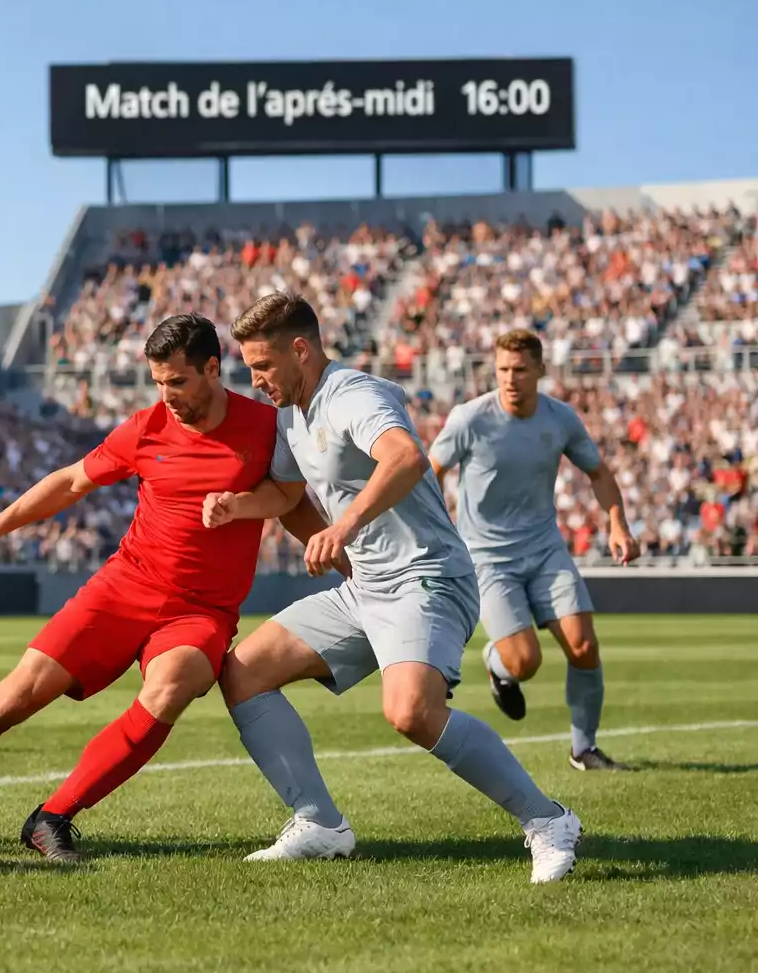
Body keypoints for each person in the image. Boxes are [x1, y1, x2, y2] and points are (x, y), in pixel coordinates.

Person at [0, 313, 338, 863]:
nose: (166, 395)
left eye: (177, 381)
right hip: (125, 586)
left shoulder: (266, 427)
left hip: (201, 610)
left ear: (213, 369)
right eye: (157, 382)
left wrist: (347, 558)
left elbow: (289, 502)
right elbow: (71, 481)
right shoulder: (145, 428)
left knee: (175, 685)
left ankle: (52, 817)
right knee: (14, 697)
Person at [205, 292, 582, 884]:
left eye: (262, 367)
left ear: (300, 350)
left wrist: (345, 526)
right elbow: (284, 496)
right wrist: (236, 507)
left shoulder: (355, 394)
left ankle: (548, 820)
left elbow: (405, 457)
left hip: (426, 576)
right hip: (366, 587)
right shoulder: (289, 415)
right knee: (241, 672)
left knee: (411, 711)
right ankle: (319, 824)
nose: (255, 382)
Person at [429, 330, 639, 770]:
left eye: (520, 370)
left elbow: (598, 473)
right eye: (503, 369)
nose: (510, 378)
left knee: (583, 647)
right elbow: (429, 472)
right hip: (487, 558)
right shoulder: (469, 418)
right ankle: (498, 663)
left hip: (545, 550)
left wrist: (617, 524)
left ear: (540, 370)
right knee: (525, 662)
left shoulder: (560, 419)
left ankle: (584, 749)